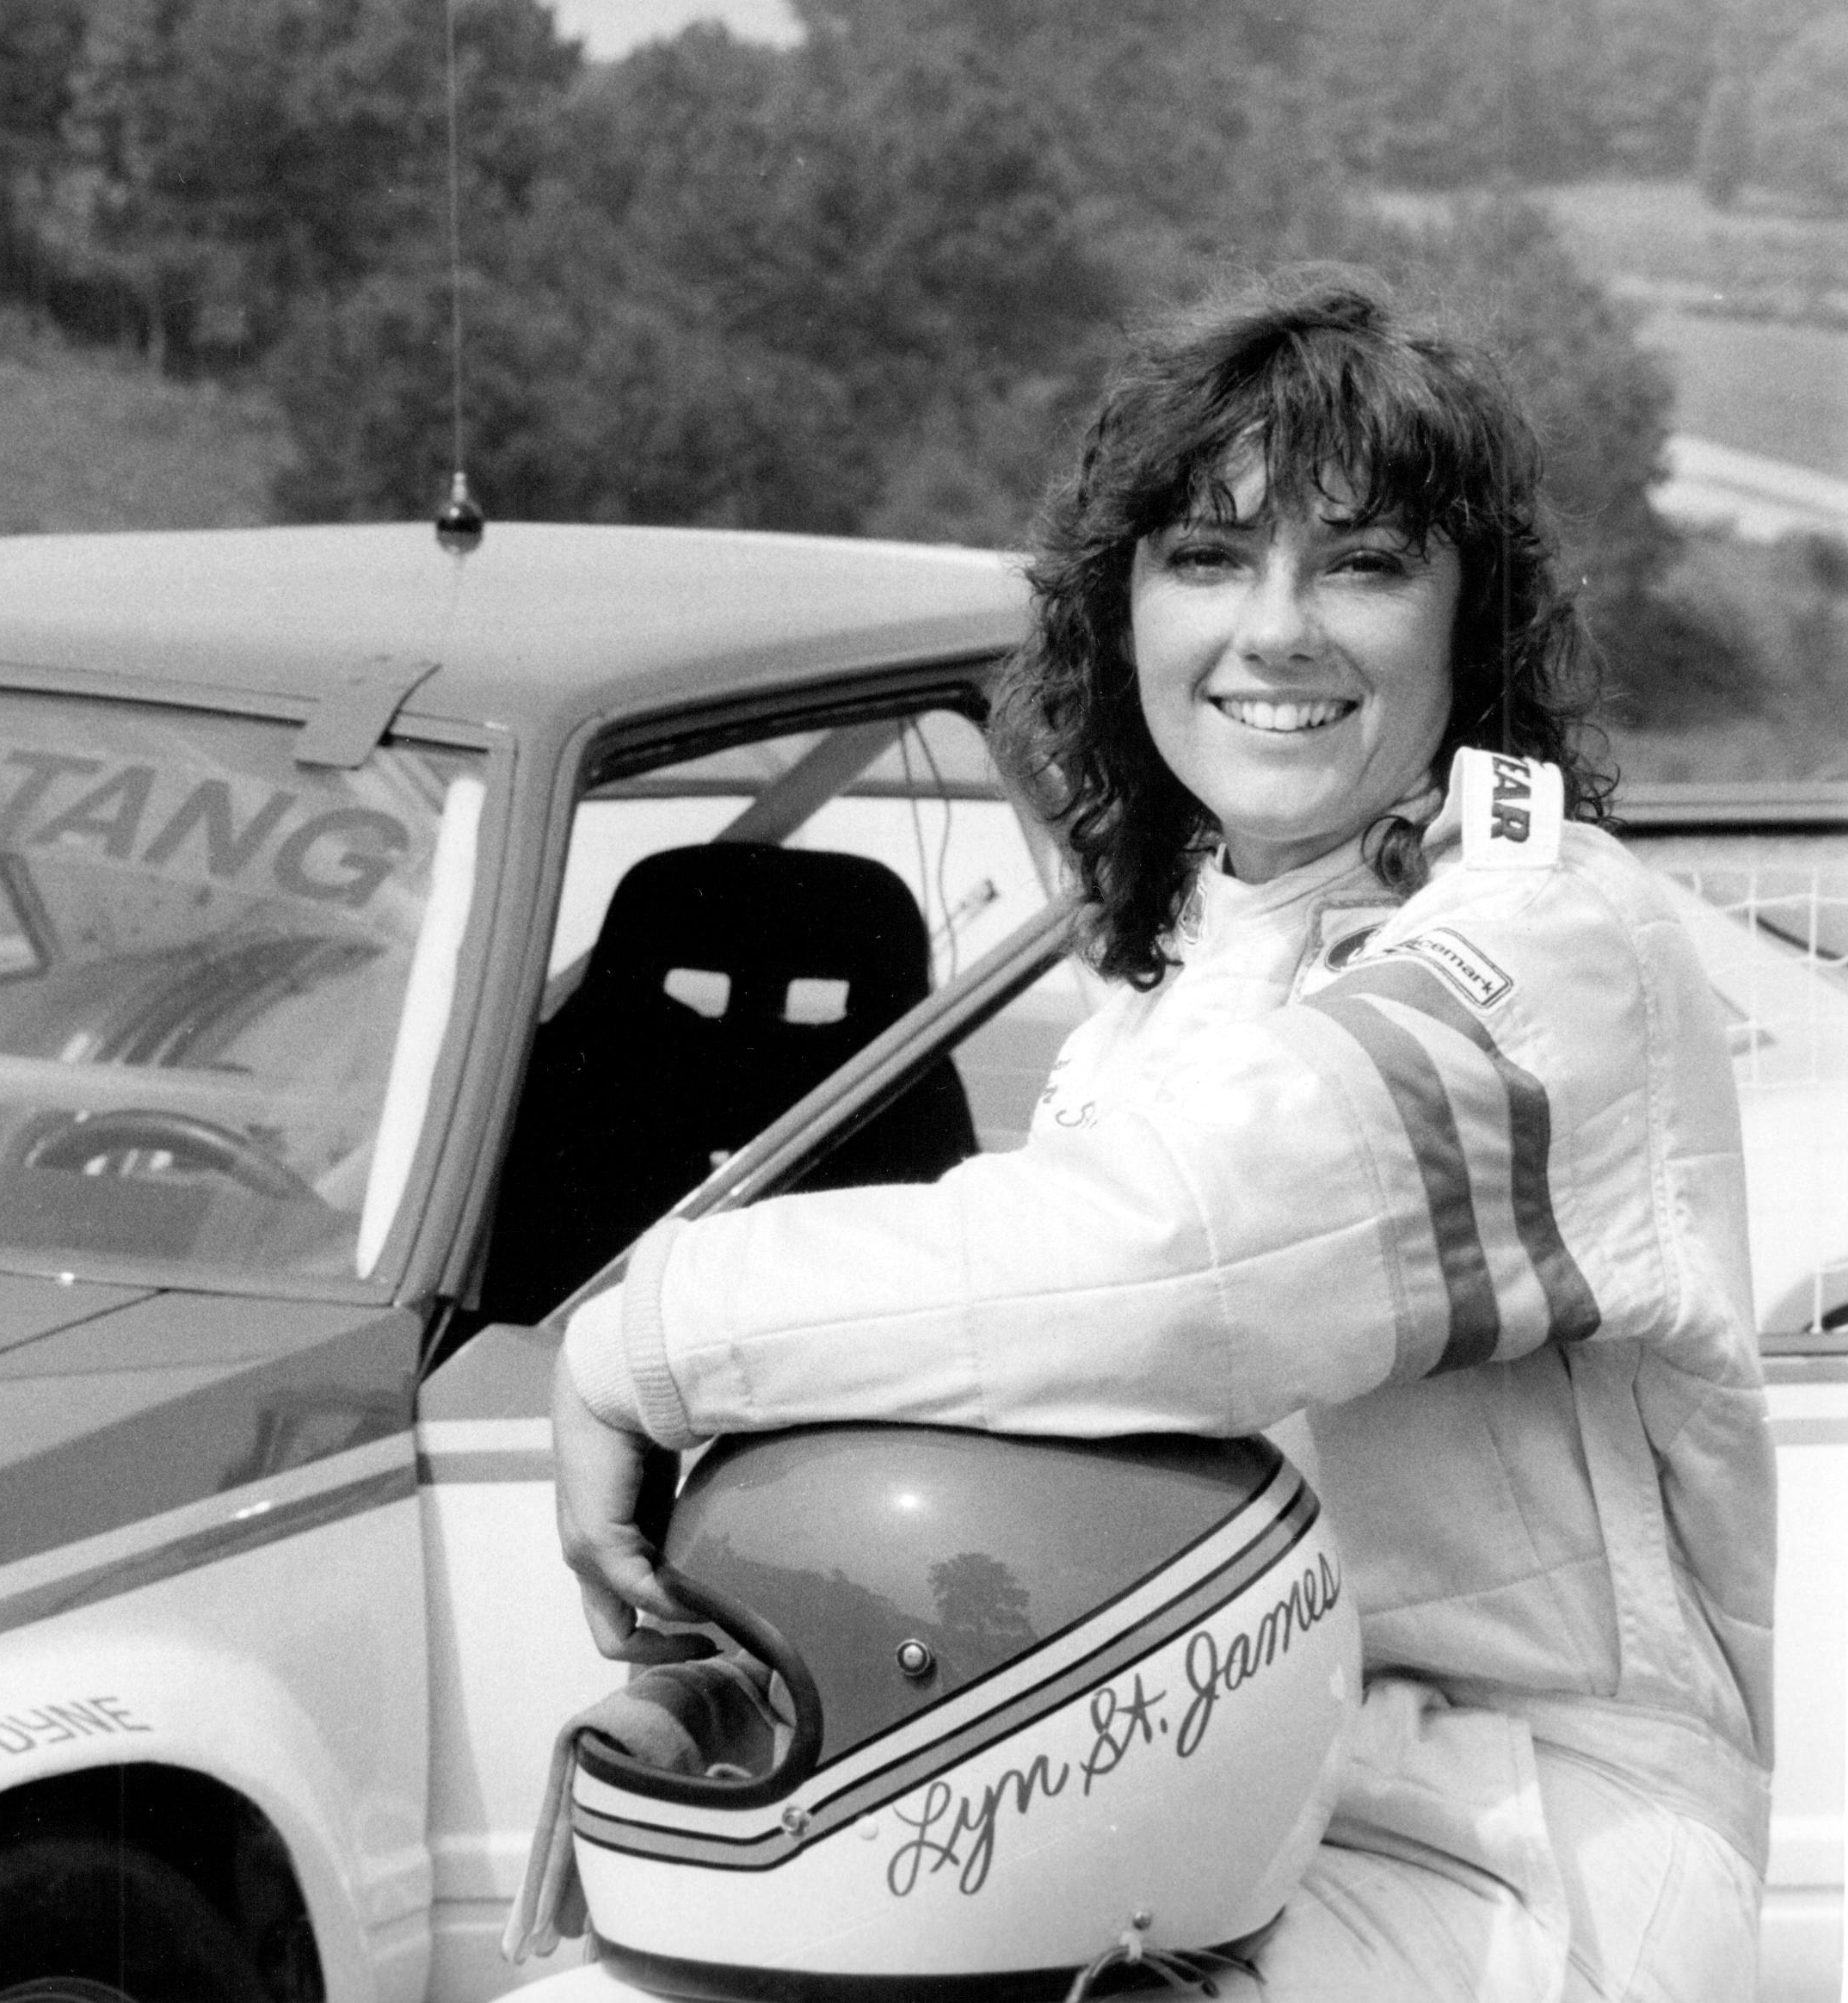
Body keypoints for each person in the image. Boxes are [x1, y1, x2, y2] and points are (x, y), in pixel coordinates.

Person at [549, 273, 1774, 2002]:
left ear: (1468, 623)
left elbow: (1181, 1258)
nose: (1272, 631)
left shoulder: (1543, 942)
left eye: (1359, 562)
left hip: (1510, 1859)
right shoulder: (1183, 968)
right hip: (1170, 1803)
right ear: (1118, 614)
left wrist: (649, 1332)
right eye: (1206, 558)